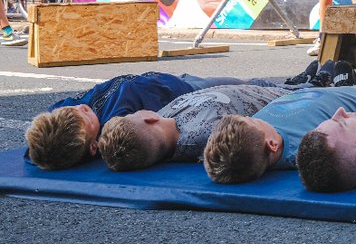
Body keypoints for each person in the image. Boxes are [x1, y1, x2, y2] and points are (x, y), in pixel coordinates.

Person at [23, 72, 250, 170]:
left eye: (76, 108)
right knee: (250, 86)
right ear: (94, 146)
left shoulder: (64, 114)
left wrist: (45, 148)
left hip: (162, 80)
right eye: (86, 116)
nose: (83, 106)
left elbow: (35, 152)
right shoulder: (115, 126)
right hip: (187, 93)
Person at [202, 83, 356, 184]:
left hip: (332, 89)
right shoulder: (311, 144)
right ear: (271, 144)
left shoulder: (254, 135)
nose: (256, 117)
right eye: (255, 120)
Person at [98, 83, 296, 171]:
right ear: (149, 120)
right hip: (283, 97)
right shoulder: (203, 137)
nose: (138, 111)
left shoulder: (166, 118)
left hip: (251, 86)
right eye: (134, 114)